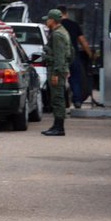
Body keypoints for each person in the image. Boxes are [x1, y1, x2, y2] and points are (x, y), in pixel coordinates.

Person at [41, 9, 72, 137]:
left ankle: (59, 128)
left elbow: (59, 56)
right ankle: (56, 125)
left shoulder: (57, 35)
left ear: (52, 20)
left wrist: (55, 73)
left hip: (56, 70)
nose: (46, 21)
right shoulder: (61, 31)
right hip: (58, 69)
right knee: (57, 98)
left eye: (48, 19)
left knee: (57, 99)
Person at [56, 5, 94, 109]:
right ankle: (77, 101)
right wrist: (90, 55)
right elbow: (83, 42)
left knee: (59, 80)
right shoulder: (74, 25)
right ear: (66, 13)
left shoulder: (56, 26)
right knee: (75, 79)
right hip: (73, 56)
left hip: (60, 57)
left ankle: (60, 102)